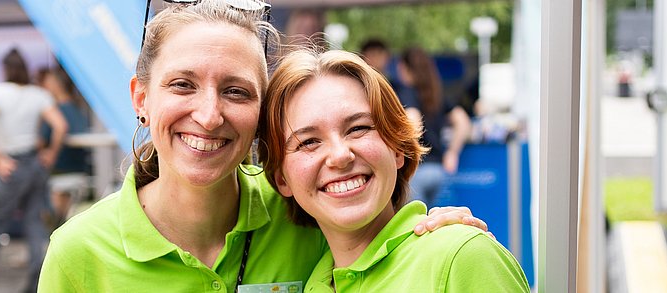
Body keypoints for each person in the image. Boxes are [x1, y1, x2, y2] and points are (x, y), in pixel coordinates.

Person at [38, 1, 488, 291]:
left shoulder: (306, 213)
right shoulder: (79, 253)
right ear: (141, 98)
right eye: (182, 85)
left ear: (260, 114)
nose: (209, 115)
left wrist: (436, 232)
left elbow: (385, 256)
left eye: (236, 91)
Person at [257, 48, 529, 292]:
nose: (340, 156)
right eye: (309, 142)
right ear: (282, 179)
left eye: (358, 128)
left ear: (397, 147)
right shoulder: (315, 281)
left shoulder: (461, 257)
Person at [0, 48, 67, 293]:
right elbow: (60, 126)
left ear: (6, 69)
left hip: (11, 166)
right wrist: (51, 154)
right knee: (35, 224)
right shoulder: (38, 94)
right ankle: (38, 283)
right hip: (35, 164)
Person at [402, 46, 472, 208]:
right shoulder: (437, 94)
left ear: (405, 68)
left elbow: (414, 121)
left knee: (416, 227)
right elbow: (463, 121)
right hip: (439, 172)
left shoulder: (407, 92)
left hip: (416, 173)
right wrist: (452, 153)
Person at [36, 66, 91, 222]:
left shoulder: (55, 111)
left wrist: (50, 153)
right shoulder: (77, 108)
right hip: (78, 171)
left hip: (59, 173)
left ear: (54, 84)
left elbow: (58, 129)